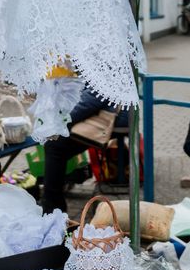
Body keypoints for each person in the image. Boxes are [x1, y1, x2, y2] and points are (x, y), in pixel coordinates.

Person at [41, 86, 128, 214]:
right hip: (109, 108)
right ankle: (52, 204)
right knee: (56, 143)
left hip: (113, 115)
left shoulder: (107, 66)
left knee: (54, 146)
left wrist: (64, 120)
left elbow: (95, 97)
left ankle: (52, 209)